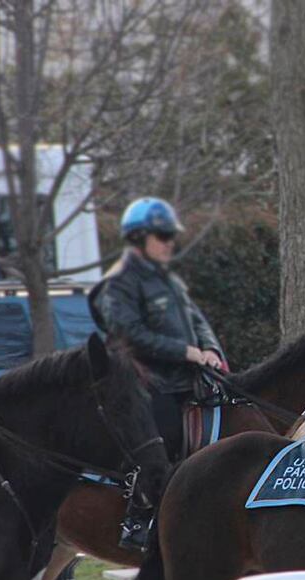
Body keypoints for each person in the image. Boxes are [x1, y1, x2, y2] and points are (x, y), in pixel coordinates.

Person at [88, 196, 225, 549]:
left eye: (170, 236)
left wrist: (210, 349)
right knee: (158, 438)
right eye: (162, 236)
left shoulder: (169, 280)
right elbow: (129, 333)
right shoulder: (118, 283)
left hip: (188, 378)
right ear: (139, 238)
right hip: (146, 382)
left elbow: (196, 319)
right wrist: (185, 351)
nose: (169, 243)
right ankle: (138, 516)